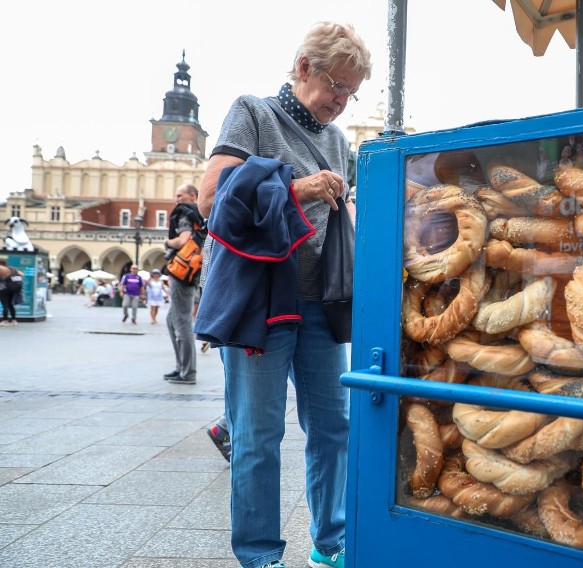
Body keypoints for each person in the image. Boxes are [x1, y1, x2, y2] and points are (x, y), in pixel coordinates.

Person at [196, 21, 370, 568]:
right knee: (257, 434)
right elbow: (212, 198)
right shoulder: (252, 112)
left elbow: (342, 218)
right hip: (263, 304)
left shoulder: (339, 142)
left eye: (351, 91)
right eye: (336, 86)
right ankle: (258, 555)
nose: (341, 101)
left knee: (333, 426)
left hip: (320, 302)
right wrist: (299, 187)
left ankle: (331, 543)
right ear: (303, 69)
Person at [164, 183, 202, 385]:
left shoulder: (186, 213)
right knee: (172, 320)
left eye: (181, 195)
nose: (177, 199)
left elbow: (183, 240)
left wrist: (168, 242)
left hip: (182, 271)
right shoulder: (199, 213)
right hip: (190, 271)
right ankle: (181, 367)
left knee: (182, 322)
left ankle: (187, 373)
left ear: (193, 196)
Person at [0, 259, 21, 326]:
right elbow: (21, 275)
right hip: (12, 289)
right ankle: (14, 320)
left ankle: (5, 320)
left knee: (5, 305)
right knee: (11, 305)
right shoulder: (11, 269)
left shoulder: (2, 270)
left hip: (3, 289)